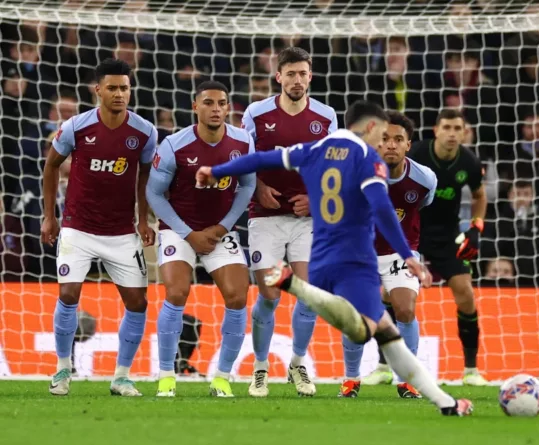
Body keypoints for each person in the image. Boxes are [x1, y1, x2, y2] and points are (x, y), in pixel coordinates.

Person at [196, 101, 472, 416]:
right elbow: (382, 209)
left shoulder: (315, 149)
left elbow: (260, 158)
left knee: (386, 333)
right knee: (366, 329)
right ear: (370, 128)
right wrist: (408, 255)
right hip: (356, 261)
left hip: (321, 256)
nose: (383, 143)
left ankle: (446, 404)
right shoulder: (369, 159)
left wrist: (215, 170)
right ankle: (296, 287)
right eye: (382, 135)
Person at [42, 58, 157, 397]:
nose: (119, 93)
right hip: (78, 226)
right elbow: (51, 167)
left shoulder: (145, 132)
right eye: (113, 88)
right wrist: (50, 216)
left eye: (124, 88)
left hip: (121, 232)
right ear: (98, 90)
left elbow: (146, 176)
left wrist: (142, 218)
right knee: (68, 294)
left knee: (137, 302)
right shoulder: (76, 127)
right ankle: (62, 369)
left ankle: (121, 377)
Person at [146, 81, 256, 398]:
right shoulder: (174, 145)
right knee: (177, 291)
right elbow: (153, 192)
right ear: (196, 107)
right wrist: (188, 234)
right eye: (208, 102)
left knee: (237, 296)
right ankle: (167, 375)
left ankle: (221, 377)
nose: (216, 109)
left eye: (222, 103)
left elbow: (247, 187)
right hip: (178, 229)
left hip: (219, 231)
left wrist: (222, 228)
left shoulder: (242, 141)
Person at [243, 46, 338, 398]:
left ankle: (297, 363)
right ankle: (260, 367)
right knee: (269, 294)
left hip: (306, 219)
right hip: (265, 216)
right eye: (291, 73)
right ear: (278, 76)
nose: (297, 80)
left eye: (303, 73)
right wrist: (258, 189)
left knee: (308, 294)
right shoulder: (256, 113)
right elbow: (245, 158)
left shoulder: (326, 116)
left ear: (310, 76)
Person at [339, 110, 436, 399]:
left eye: (399, 139)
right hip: (361, 253)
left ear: (409, 145)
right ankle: (351, 378)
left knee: (405, 309)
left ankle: (406, 381)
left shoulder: (424, 179)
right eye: (385, 139)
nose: (391, 144)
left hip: (400, 254)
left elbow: (422, 206)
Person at [403, 109, 489, 386]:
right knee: (393, 294)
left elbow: (479, 195)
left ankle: (471, 370)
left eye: (458, 128)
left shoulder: (469, 162)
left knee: (465, 292)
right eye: (447, 127)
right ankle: (382, 365)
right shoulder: (416, 154)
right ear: (436, 130)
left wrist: (476, 227)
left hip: (446, 234)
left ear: (464, 132)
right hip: (412, 232)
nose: (453, 134)